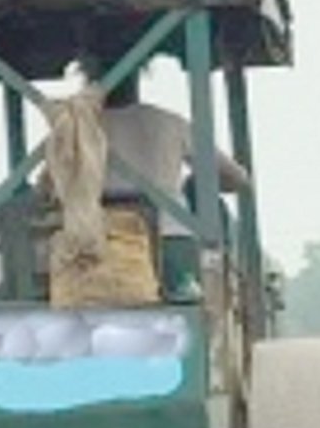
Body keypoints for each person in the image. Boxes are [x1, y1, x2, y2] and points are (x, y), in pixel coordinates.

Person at [92, 66, 251, 296]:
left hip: (95, 242)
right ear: (136, 79)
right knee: (200, 195)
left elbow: (49, 186)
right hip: (168, 241)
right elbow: (238, 177)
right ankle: (213, 292)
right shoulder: (169, 122)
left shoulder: (77, 128)